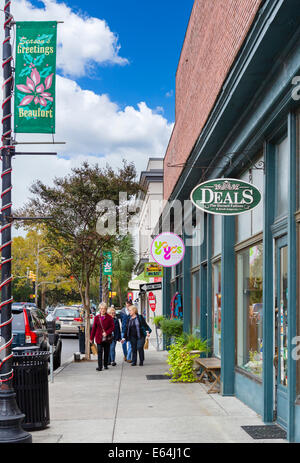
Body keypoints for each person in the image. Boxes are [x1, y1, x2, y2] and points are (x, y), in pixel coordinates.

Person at [90, 302, 114, 371]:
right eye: (101, 309)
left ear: (106, 309)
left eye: (104, 309)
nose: (102, 310)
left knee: (106, 352)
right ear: (99, 309)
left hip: (107, 338)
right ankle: (100, 366)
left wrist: (107, 332)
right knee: (100, 352)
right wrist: (91, 338)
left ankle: (105, 365)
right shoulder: (96, 318)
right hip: (99, 338)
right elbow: (94, 328)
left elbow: (112, 327)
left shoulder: (109, 317)